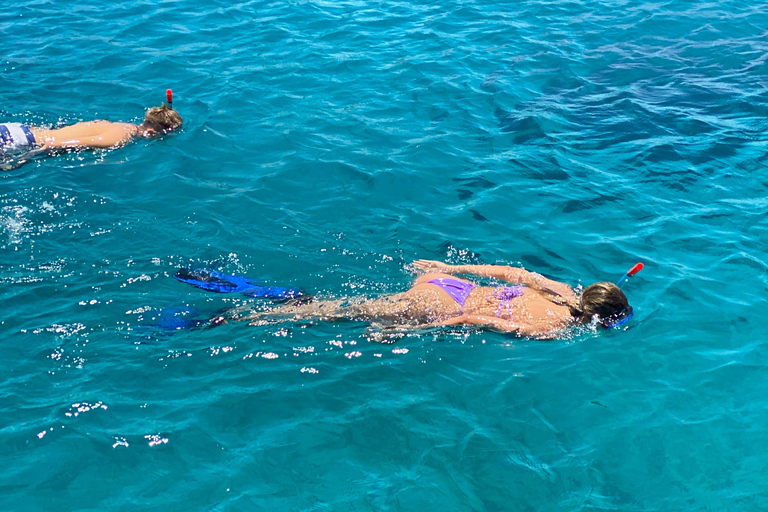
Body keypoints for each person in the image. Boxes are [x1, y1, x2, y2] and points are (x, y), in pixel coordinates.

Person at [205, 259, 633, 339]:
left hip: (448, 284)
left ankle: (284, 301)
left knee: (345, 307)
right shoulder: (557, 326)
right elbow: (481, 323)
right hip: (446, 306)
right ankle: (241, 318)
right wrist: (417, 328)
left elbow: (513, 273)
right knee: (338, 314)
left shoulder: (561, 291)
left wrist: (449, 268)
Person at [0, 105, 182, 167]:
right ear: (151, 132)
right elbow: (56, 143)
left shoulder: (119, 124)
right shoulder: (119, 139)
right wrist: (20, 162)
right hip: (16, 141)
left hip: (18, 129)